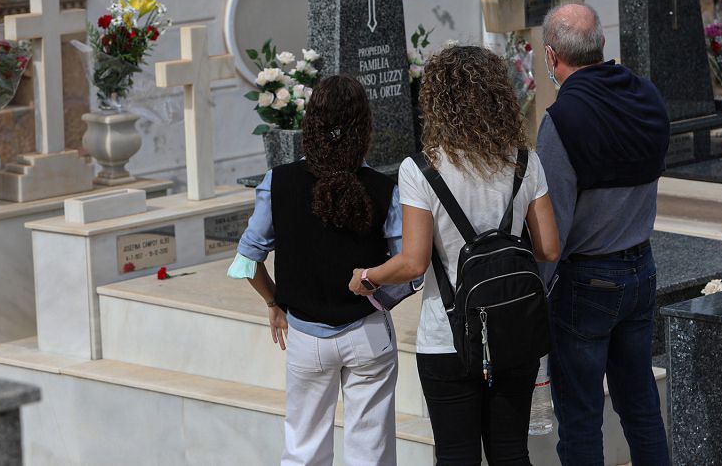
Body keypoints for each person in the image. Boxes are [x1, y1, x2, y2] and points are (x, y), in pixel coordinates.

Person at [348, 45, 560, 465]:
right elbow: (550, 248)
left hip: (447, 336)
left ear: (436, 102)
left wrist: (368, 276)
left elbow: (413, 262)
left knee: (456, 455)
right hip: (515, 329)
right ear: (500, 95)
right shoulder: (525, 161)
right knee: (512, 452)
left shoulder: (421, 170)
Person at [228, 75, 402, 466]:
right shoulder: (382, 187)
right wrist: (376, 290)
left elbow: (246, 259)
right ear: (364, 129)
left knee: (303, 451)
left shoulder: (279, 182)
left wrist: (274, 301)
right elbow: (405, 267)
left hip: (305, 335)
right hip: (367, 332)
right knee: (370, 453)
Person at [538, 3, 672, 465]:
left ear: (552, 57)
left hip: (586, 281)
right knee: (641, 409)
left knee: (580, 420)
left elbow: (551, 224)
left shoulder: (563, 119)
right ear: (601, 47)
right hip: (641, 268)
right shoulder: (648, 97)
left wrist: (535, 291)